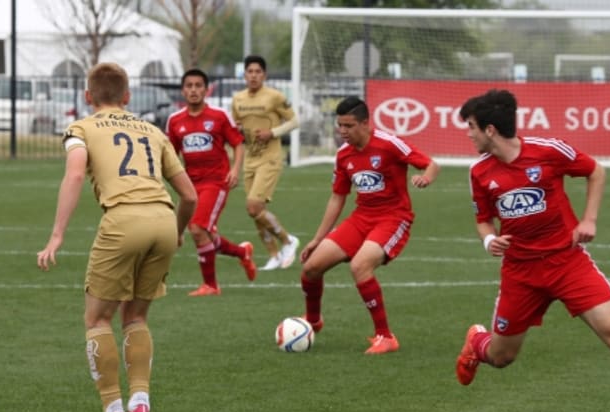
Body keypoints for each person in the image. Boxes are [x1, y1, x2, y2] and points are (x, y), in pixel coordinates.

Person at [455, 89, 610, 412]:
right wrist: (490, 240)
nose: (467, 134)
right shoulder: (480, 172)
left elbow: (596, 171)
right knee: (502, 357)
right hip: (520, 272)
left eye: (470, 126)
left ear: (489, 129)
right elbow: (483, 221)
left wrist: (589, 220)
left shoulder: (549, 151)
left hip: (567, 262)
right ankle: (477, 343)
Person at [36, 62, 197, 412]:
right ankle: (140, 401)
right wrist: (175, 232)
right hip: (162, 217)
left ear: (88, 97)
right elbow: (189, 194)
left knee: (97, 320)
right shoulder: (153, 130)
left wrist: (57, 235)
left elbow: (75, 174)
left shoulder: (82, 127)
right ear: (127, 97)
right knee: (136, 316)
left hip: (123, 221)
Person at [299, 96, 440, 354]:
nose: (343, 132)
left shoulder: (389, 144)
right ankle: (313, 321)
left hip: (393, 217)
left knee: (360, 266)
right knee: (311, 268)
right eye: (340, 125)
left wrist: (425, 178)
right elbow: (337, 197)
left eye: (349, 126)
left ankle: (385, 337)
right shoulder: (343, 155)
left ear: (365, 123)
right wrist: (318, 238)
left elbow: (431, 164)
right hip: (362, 217)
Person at [166, 68, 257, 297]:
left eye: (198, 86)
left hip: (216, 182)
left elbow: (238, 143)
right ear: (183, 90)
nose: (194, 90)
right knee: (205, 233)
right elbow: (171, 154)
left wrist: (236, 169)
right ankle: (241, 252)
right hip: (190, 185)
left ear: (206, 90)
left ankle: (211, 286)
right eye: (189, 86)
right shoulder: (175, 121)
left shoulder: (218, 116)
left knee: (197, 229)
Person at [230, 55, 300, 271]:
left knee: (253, 206)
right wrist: (239, 130)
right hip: (250, 159)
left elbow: (295, 121)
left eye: (258, 72)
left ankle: (288, 241)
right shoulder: (238, 99)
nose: (253, 75)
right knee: (256, 211)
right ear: (244, 75)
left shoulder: (275, 97)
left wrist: (273, 132)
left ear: (264, 75)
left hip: (270, 158)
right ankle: (274, 255)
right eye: (250, 71)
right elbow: (236, 125)